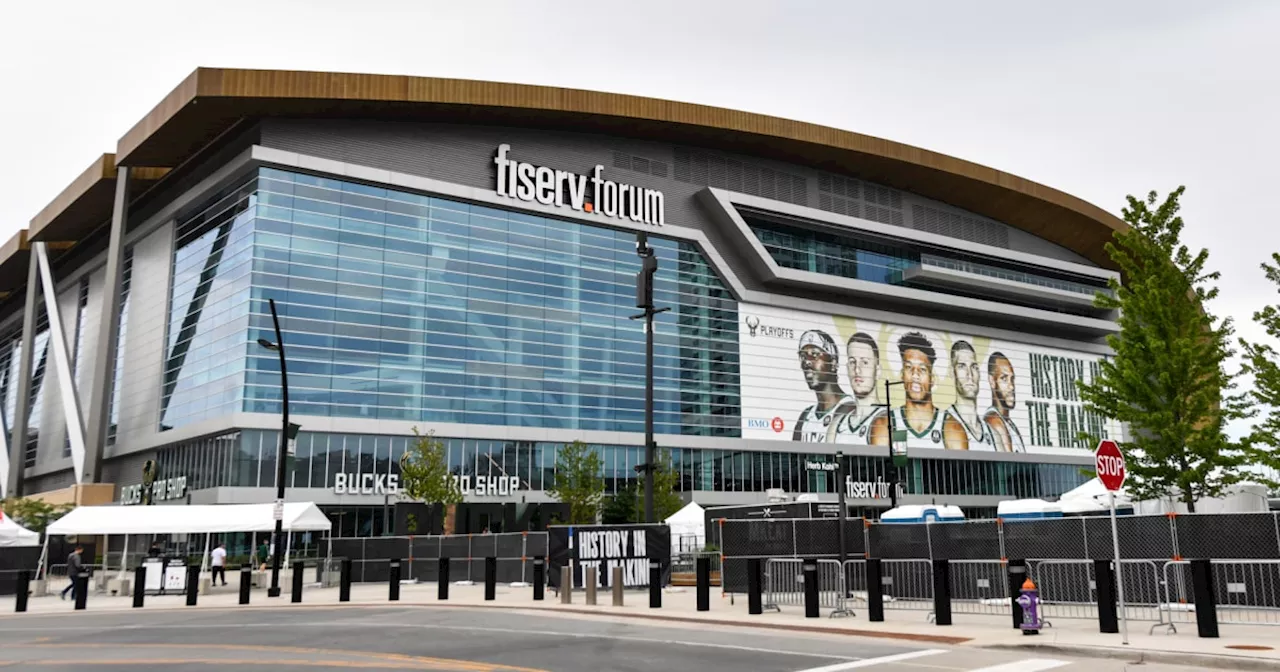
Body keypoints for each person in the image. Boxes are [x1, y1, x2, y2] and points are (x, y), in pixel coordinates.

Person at [870, 332, 944, 448]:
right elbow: (895, 463)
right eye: (909, 367)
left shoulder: (949, 426)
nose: (915, 374)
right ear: (901, 375)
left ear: (932, 379)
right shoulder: (887, 424)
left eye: (922, 369)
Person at [793, 329, 856, 443]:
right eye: (803, 356)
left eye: (815, 354)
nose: (807, 361)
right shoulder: (806, 417)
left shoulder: (850, 409)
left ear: (833, 363)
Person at [829, 332, 887, 443]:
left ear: (878, 371)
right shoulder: (837, 425)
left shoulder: (890, 421)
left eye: (865, 362)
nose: (857, 370)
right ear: (847, 369)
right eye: (852, 362)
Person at [942, 341, 996, 450]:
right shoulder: (943, 425)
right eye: (962, 366)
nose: (969, 374)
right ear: (952, 373)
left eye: (974, 367)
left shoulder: (993, 434)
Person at [984, 352, 1026, 452]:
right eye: (1004, 379)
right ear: (992, 381)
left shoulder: (1008, 423)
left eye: (1012, 379)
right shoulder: (994, 421)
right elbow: (1011, 466)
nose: (1011, 386)